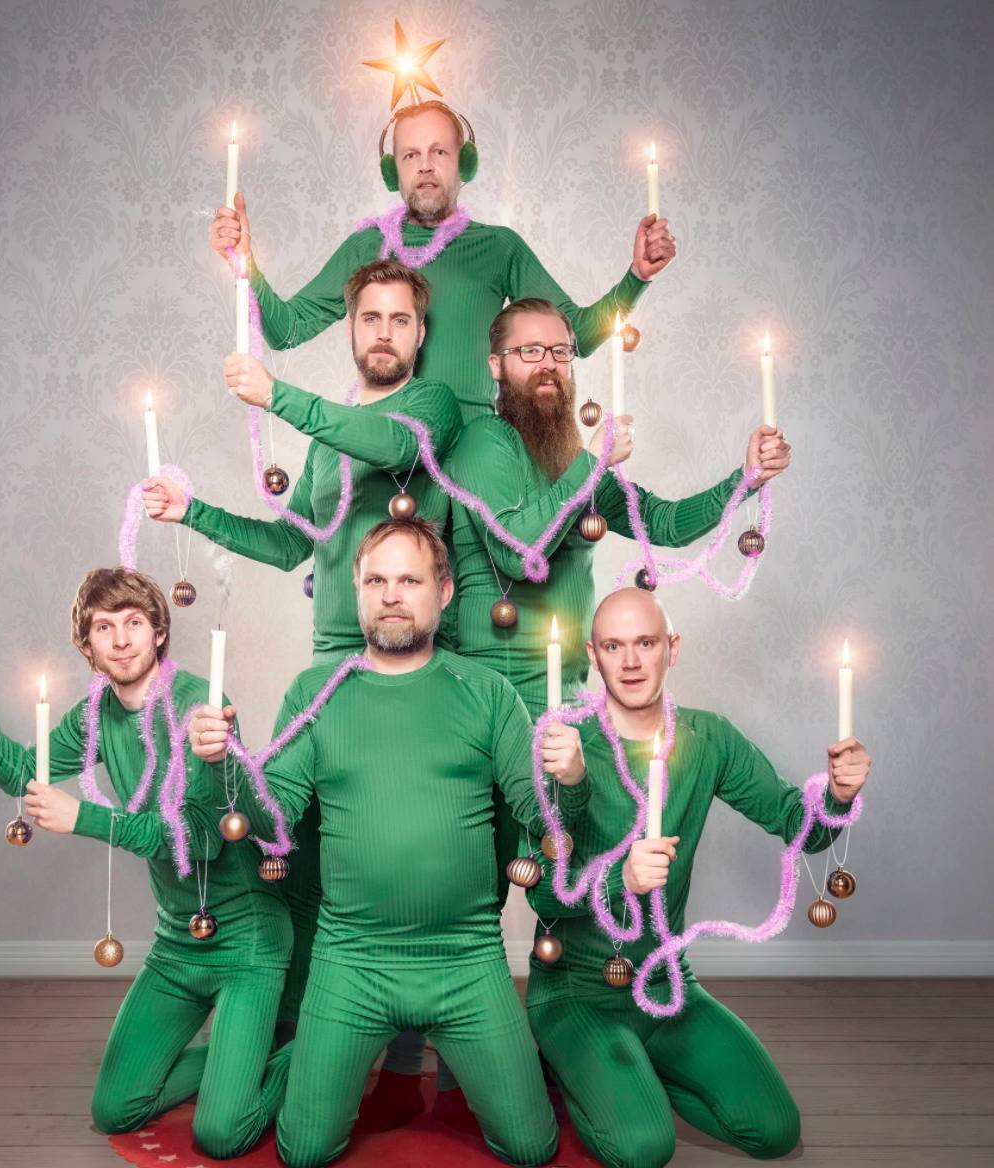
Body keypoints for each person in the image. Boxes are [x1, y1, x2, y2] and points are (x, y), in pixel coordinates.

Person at [188, 519, 590, 1168]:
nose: (392, 594)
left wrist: (569, 779)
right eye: (377, 579)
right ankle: (312, 1052)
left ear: (446, 591)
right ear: (356, 589)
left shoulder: (486, 693)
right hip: (353, 959)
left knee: (531, 1146)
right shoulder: (314, 694)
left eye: (410, 579)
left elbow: (541, 813)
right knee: (303, 1152)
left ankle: (525, 1059)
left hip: (463, 957)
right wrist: (226, 764)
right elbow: (275, 820)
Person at [142, 259, 462, 1052]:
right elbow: (293, 543)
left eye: (399, 319)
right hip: (331, 666)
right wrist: (196, 511)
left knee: (398, 847)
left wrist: (275, 394)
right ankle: (304, 1033)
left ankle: (410, 1041)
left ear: (421, 334)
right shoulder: (326, 441)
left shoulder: (431, 406)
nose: (383, 332)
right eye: (368, 317)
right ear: (349, 329)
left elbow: (385, 440)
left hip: (411, 662)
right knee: (303, 847)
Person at [0, 568, 292, 1159]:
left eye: (135, 623)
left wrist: (86, 820)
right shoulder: (99, 710)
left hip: (246, 942)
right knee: (114, 1109)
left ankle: (306, 1050)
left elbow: (203, 839)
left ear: (158, 632)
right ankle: (237, 1054)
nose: (122, 639)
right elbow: (25, 772)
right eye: (105, 627)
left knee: (221, 1135)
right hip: (177, 943)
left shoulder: (202, 707)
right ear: (87, 645)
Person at [525, 587, 872, 1167]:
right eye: (614, 646)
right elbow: (539, 891)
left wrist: (838, 795)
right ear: (593, 652)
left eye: (646, 643)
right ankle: (572, 1067)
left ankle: (637, 1075)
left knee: (776, 1130)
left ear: (672, 648)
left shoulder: (708, 739)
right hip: (577, 989)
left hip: (666, 984)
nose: (631, 662)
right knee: (643, 1148)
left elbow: (799, 826)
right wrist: (619, 883)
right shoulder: (562, 746)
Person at [209, 100, 676, 421]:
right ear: (394, 171)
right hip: (385, 448)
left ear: (462, 163)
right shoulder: (366, 246)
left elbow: (579, 336)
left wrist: (636, 277)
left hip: (474, 455)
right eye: (411, 154)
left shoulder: (500, 247)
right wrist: (245, 264)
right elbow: (286, 329)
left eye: (439, 152)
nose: (426, 165)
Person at [448, 296, 792, 717]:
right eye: (530, 351)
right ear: (497, 365)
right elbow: (518, 552)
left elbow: (662, 524)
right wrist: (593, 461)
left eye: (560, 352)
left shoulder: (569, 460)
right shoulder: (485, 440)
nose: (548, 364)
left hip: (568, 700)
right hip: (492, 704)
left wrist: (747, 477)